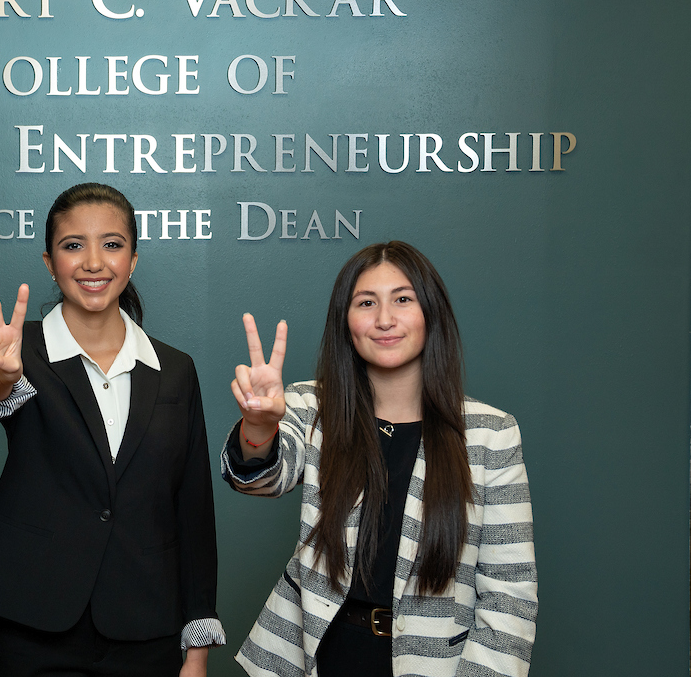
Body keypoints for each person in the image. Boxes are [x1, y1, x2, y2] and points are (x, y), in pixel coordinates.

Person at [222, 241, 536, 677]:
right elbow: (260, 479)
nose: (384, 319)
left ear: (431, 313)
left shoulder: (490, 433)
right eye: (366, 303)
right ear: (345, 322)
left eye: (403, 300)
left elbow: (509, 596)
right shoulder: (311, 406)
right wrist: (259, 427)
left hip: (433, 665)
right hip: (312, 657)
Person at [0, 183, 223, 677]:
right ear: (50, 262)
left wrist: (197, 649)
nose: (94, 262)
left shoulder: (175, 369)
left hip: (147, 625)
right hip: (37, 624)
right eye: (73, 246)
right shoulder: (18, 352)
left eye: (112, 244)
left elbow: (193, 508)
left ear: (133, 259)